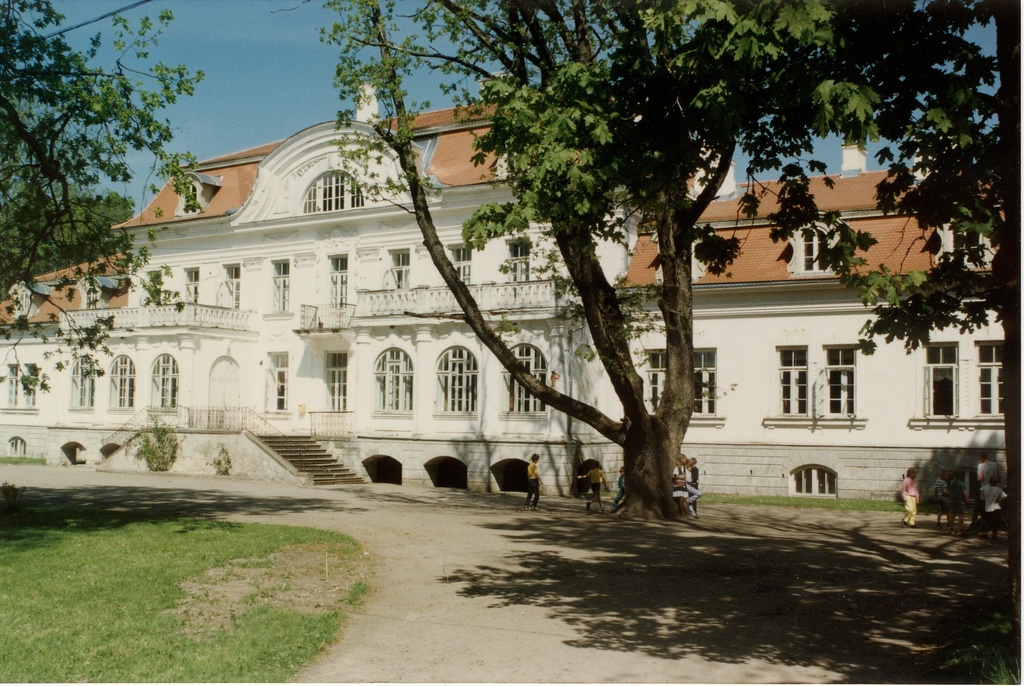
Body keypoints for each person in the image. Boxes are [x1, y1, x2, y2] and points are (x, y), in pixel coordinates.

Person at [970, 452, 999, 530]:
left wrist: (976, 484)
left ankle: (976, 523)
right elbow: (997, 476)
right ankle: (992, 527)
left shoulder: (981, 466)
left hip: (984, 488)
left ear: (982, 458)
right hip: (993, 488)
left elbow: (980, 478)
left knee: (980, 508)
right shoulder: (994, 465)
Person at [979, 475, 1007, 541]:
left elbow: (982, 496)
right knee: (996, 522)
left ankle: (985, 534)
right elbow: (1005, 496)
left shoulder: (985, 488)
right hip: (996, 507)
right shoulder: (999, 490)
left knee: (986, 521)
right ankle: (994, 535)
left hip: (987, 506)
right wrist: (999, 500)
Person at [946, 471, 968, 536]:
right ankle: (961, 528)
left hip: (953, 500)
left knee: (952, 514)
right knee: (960, 514)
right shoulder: (962, 484)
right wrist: (966, 499)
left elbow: (949, 491)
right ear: (960, 476)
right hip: (960, 500)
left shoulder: (951, 483)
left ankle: (951, 528)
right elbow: (965, 492)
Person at [672, 454, 689, 518]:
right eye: (684, 459)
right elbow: (673, 477)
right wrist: (679, 477)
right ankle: (682, 513)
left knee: (685, 499)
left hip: (683, 485)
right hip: (678, 485)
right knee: (681, 499)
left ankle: (687, 513)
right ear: (681, 459)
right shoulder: (677, 468)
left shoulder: (684, 468)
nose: (685, 460)